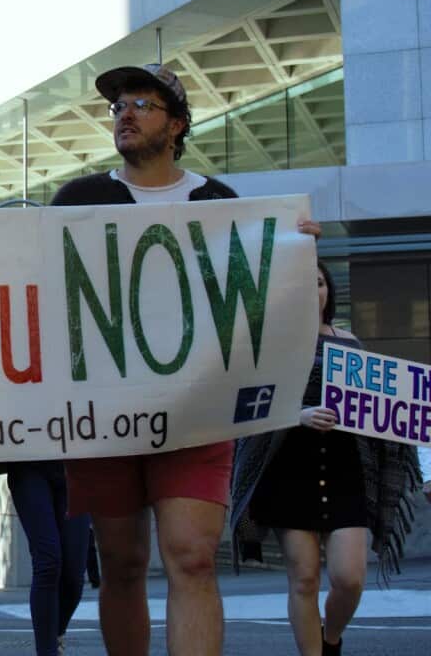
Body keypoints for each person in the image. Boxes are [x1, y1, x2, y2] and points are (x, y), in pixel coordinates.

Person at [50, 63, 321, 656]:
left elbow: (261, 297)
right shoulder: (77, 200)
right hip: (105, 415)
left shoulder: (218, 203)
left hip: (199, 410)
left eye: (142, 104)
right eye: (118, 105)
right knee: (121, 563)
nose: (124, 112)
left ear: (176, 124)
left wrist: (296, 249)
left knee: (194, 557)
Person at [230, 262, 424, 656]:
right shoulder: (268, 345)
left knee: (349, 578)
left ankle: (330, 638)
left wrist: (423, 471)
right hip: (288, 471)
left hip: (344, 471)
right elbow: (247, 405)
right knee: (302, 578)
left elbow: (388, 411)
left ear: (328, 291)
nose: (314, 291)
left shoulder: (349, 342)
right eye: (303, 283)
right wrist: (297, 416)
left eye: (319, 283)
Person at [6, 461, 90, 656]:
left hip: (76, 463)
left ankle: (56, 634)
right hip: (27, 462)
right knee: (47, 560)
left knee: (74, 576)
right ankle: (47, 650)